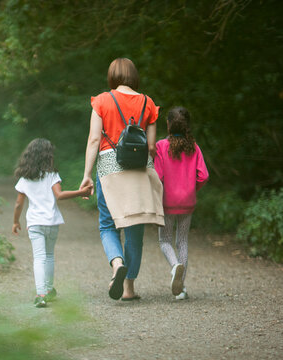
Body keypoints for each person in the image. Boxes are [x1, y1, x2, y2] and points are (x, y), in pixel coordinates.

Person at [80, 58, 165, 301]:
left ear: (112, 75)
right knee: (135, 227)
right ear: (134, 75)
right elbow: (150, 146)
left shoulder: (102, 100)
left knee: (108, 224)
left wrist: (87, 175)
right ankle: (129, 289)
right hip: (138, 169)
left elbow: (94, 140)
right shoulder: (148, 102)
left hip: (109, 166)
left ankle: (117, 264)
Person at [12, 138, 93, 307]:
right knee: (49, 256)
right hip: (51, 222)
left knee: (39, 258)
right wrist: (80, 192)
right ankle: (48, 290)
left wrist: (15, 222)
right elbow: (60, 196)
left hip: (35, 223)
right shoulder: (52, 175)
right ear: (48, 156)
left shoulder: (24, 179)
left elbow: (19, 204)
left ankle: (40, 294)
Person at [154, 106, 209, 300]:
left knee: (164, 240)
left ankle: (175, 266)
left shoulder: (161, 146)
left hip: (167, 202)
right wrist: (191, 189)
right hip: (188, 202)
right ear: (187, 126)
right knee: (183, 241)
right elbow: (203, 175)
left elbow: (158, 175)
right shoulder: (194, 147)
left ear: (168, 124)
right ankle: (182, 288)